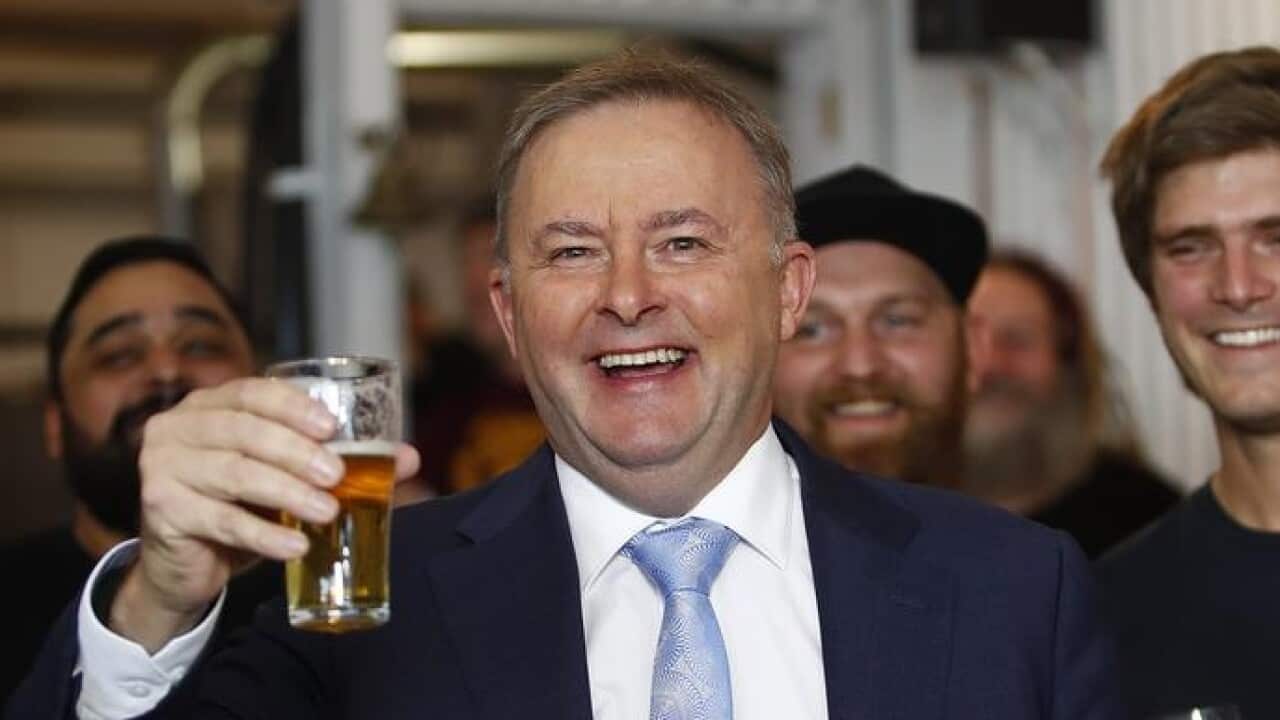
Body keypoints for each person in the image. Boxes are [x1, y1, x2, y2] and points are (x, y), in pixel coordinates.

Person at [7, 52, 1119, 720]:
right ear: (506, 313)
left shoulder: (1014, 591)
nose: (626, 296)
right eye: (572, 250)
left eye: (681, 242)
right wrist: (159, 595)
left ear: (785, 291)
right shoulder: (367, 615)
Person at [0, 237, 280, 705]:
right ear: (54, 424)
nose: (167, 370)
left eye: (201, 345)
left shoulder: (329, 592)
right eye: (120, 355)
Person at [1096, 46, 1280, 718]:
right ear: (1151, 291)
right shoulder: (1106, 615)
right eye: (1191, 247)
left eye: (1276, 237)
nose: (1238, 287)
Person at [772, 165, 985, 486]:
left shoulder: (1031, 538)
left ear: (973, 347)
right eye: (812, 330)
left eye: (898, 321)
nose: (860, 365)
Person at [963, 250, 1180, 557]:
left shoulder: (1149, 519)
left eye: (1017, 340)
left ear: (1069, 363)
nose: (989, 366)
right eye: (965, 340)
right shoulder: (882, 509)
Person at [409, 199, 544, 498]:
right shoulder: (452, 399)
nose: (474, 281)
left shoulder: (580, 394)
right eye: (466, 262)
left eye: (490, 258)